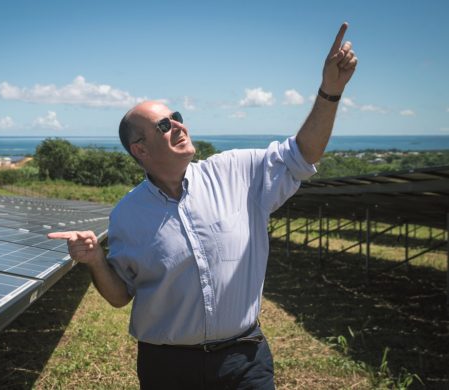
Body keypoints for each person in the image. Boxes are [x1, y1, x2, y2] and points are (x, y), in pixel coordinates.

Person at [49, 22, 357, 389]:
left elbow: (303, 154)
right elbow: (119, 296)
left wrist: (330, 92)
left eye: (177, 117)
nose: (179, 126)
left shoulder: (238, 172)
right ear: (141, 150)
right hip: (167, 368)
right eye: (164, 125)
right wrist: (96, 261)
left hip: (244, 360)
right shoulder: (126, 215)